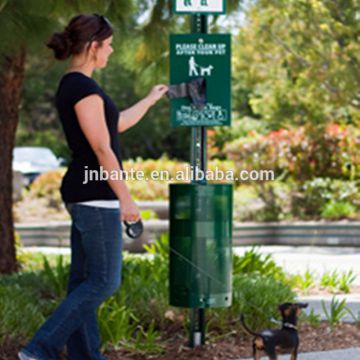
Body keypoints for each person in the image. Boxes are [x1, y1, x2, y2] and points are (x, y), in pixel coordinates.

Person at [18, 14, 168, 360]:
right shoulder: (82, 88)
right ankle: (39, 349)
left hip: (86, 191)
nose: (112, 51)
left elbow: (113, 128)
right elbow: (102, 148)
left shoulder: (77, 85)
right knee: (104, 281)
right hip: (94, 194)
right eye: (109, 44)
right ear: (92, 45)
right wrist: (126, 199)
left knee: (83, 280)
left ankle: (86, 356)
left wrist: (149, 99)